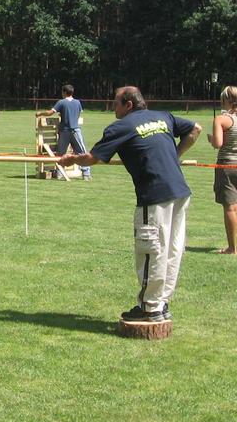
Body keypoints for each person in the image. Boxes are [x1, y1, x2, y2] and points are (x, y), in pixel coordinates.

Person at [59, 86, 201, 323]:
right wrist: (175, 155)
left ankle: (150, 308)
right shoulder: (162, 116)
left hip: (154, 195)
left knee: (151, 250)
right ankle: (161, 303)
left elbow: (92, 157)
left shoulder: (121, 127)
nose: (113, 107)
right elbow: (195, 129)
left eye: (116, 103)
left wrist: (71, 159)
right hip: (180, 191)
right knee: (171, 250)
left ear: (129, 105)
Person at [37, 84, 92, 181]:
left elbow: (50, 112)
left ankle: (59, 174)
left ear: (64, 92)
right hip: (76, 131)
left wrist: (40, 113)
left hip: (65, 131)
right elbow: (77, 114)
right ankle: (86, 174)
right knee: (82, 153)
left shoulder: (61, 102)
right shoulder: (77, 102)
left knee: (60, 154)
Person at [207, 84, 237, 254]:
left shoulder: (221, 119)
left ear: (227, 100)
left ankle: (232, 248)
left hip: (227, 166)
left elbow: (218, 144)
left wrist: (212, 139)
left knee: (230, 208)